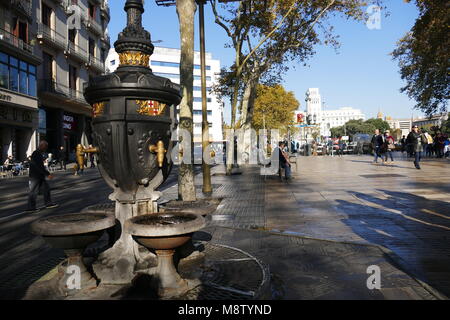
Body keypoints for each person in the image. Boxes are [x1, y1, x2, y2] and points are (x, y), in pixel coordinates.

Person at [25, 140, 59, 213]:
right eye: (45, 147)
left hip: (39, 175)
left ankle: (48, 203)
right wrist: (47, 174)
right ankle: (30, 208)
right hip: (35, 176)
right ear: (42, 146)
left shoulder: (38, 153)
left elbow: (39, 166)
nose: (46, 148)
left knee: (46, 189)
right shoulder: (36, 153)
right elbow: (39, 166)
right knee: (33, 191)